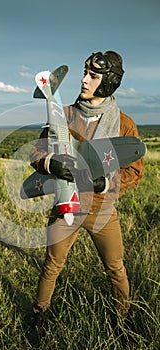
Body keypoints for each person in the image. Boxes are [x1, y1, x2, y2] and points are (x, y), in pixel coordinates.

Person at [28, 51, 144, 344]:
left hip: (102, 209)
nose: (84, 80)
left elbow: (134, 171)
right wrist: (50, 163)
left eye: (93, 76)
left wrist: (106, 184)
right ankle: (38, 318)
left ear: (108, 82)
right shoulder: (62, 115)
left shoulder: (124, 124)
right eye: (84, 72)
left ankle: (123, 320)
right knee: (52, 265)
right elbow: (35, 152)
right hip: (66, 204)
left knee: (116, 267)